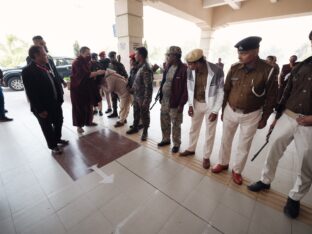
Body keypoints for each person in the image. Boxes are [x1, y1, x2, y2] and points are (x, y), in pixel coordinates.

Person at [248, 30, 312, 219]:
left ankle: (295, 197)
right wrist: (277, 115)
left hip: (310, 124)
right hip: (288, 115)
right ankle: (265, 180)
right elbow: (287, 90)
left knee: (306, 162)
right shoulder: (302, 66)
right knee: (274, 148)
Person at [211, 36, 278, 185]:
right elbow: (226, 90)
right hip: (230, 110)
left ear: (256, 51)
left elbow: (271, 97)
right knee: (225, 140)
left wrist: (265, 118)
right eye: (239, 53)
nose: (239, 56)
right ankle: (223, 163)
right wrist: (223, 110)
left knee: (244, 145)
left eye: (244, 53)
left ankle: (237, 170)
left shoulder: (268, 71)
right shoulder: (235, 68)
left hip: (251, 114)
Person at [179, 49, 224, 169]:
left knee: (210, 132)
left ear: (199, 62)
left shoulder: (216, 71)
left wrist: (215, 111)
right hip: (197, 103)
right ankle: (191, 148)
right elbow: (190, 89)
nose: (188, 66)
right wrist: (190, 105)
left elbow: (220, 93)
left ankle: (206, 156)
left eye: (190, 64)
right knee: (194, 128)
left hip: (211, 105)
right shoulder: (190, 70)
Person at [22, 46, 68, 154]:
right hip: (42, 106)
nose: (46, 55)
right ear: (36, 56)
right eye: (43, 54)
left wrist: (60, 98)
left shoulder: (47, 65)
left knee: (59, 121)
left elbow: (54, 79)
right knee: (47, 127)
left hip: (55, 103)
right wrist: (40, 109)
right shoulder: (28, 71)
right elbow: (31, 93)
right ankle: (53, 146)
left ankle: (57, 139)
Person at [157, 46, 188, 153]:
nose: (168, 57)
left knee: (176, 123)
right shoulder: (168, 66)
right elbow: (164, 82)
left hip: (175, 102)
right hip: (165, 101)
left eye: (169, 55)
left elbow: (186, 89)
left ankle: (176, 143)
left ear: (175, 56)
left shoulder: (184, 69)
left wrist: (181, 104)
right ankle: (166, 139)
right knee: (164, 120)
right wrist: (161, 96)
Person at [70, 47, 106, 133]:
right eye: (87, 54)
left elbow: (90, 72)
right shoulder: (77, 62)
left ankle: (88, 122)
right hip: (78, 90)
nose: (89, 55)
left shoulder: (86, 62)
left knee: (89, 106)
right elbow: (84, 75)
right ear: (81, 53)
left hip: (87, 88)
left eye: (89, 53)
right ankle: (79, 126)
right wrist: (97, 73)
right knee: (80, 108)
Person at [126, 47, 153, 141]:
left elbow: (148, 86)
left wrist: (146, 100)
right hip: (137, 95)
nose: (135, 56)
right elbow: (137, 80)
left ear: (140, 56)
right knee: (136, 112)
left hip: (143, 97)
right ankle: (135, 127)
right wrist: (132, 88)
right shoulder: (139, 66)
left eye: (136, 54)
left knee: (144, 115)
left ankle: (145, 131)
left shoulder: (145, 67)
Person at [107, 51, 128, 118]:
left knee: (122, 101)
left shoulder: (120, 65)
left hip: (120, 86)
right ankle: (115, 112)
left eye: (113, 57)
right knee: (113, 99)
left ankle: (122, 115)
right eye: (111, 57)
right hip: (113, 86)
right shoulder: (109, 65)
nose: (113, 58)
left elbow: (125, 75)